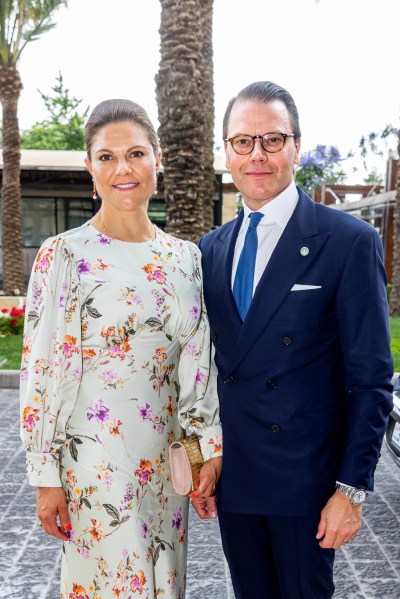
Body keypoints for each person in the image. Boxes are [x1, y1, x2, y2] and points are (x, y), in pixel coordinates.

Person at [192, 81, 393, 598]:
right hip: (236, 481)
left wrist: (351, 490)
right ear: (227, 153)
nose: (257, 154)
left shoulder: (348, 242)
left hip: (306, 486)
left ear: (296, 148)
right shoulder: (208, 251)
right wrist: (202, 459)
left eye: (273, 140)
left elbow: (370, 381)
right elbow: (203, 370)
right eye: (243, 141)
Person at [20, 98, 222, 599]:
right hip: (94, 462)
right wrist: (47, 476)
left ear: (158, 160)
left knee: (164, 584)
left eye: (135, 153)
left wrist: (201, 455)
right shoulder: (64, 255)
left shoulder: (185, 258)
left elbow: (199, 367)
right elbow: (41, 369)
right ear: (90, 167)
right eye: (106, 157)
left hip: (166, 461)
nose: (122, 168)